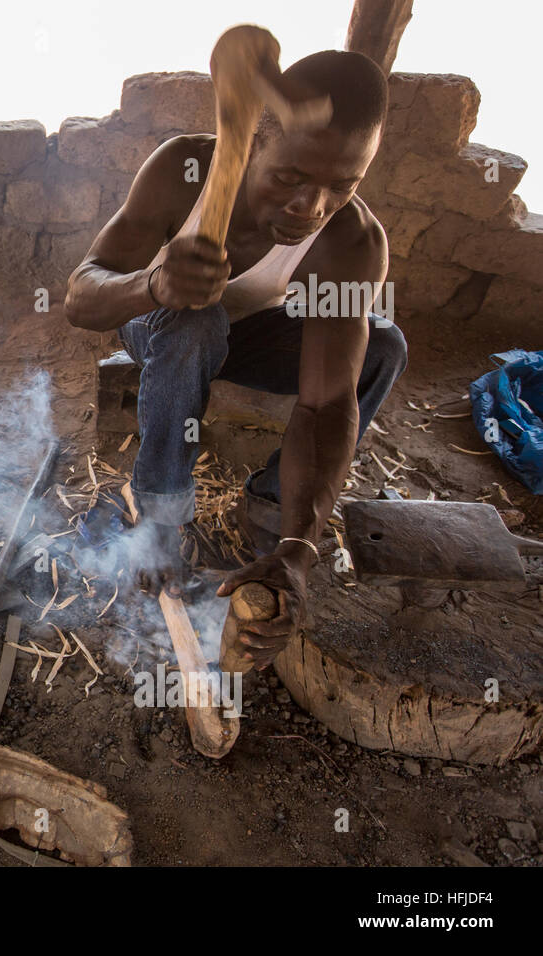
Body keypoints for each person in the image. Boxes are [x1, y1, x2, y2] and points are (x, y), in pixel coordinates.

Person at [65, 51, 408, 669]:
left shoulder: (350, 241)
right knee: (196, 321)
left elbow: (327, 402)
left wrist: (299, 550)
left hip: (248, 332)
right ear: (252, 140)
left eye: (342, 185)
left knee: (383, 346)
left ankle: (274, 509)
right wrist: (153, 286)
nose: (311, 206)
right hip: (159, 319)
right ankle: (160, 514)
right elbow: (81, 294)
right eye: (291, 178)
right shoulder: (184, 170)